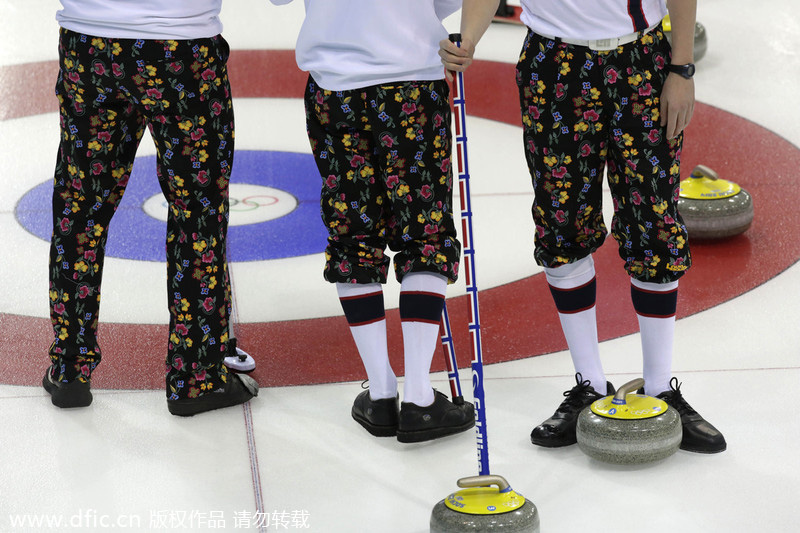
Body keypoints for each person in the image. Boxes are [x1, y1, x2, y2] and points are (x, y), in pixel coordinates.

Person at [441, 0, 726, 453]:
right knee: (561, 223)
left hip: (640, 60)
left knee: (653, 220)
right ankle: (588, 384)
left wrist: (682, 68)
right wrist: (469, 39)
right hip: (553, 64)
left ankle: (660, 387)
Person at [269, 0, 475, 443]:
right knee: (425, 232)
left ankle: (381, 392)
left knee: (353, 234)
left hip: (335, 86)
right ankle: (418, 395)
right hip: (411, 79)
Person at [44, 0, 258, 416]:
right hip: (182, 48)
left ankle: (69, 368)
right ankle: (197, 376)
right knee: (198, 215)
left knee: (79, 209)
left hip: (89, 44)